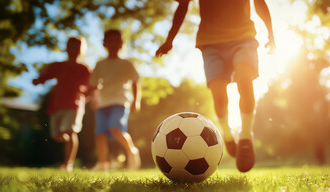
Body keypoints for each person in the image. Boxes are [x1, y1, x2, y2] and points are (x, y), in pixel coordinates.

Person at [155, 0, 276, 172]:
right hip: (211, 42)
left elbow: (259, 2)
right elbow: (183, 5)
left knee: (245, 82)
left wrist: (271, 34)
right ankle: (227, 134)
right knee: (219, 97)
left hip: (243, 37)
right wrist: (169, 40)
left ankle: (246, 137)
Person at [33, 37, 93, 172]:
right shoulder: (58, 66)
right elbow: (45, 76)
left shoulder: (84, 69)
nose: (74, 50)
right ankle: (65, 140)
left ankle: (68, 164)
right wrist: (39, 80)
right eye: (71, 47)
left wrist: (86, 96)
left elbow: (92, 86)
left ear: (82, 50)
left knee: (70, 131)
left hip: (75, 105)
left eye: (77, 48)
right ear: (66, 48)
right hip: (57, 105)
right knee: (56, 135)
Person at [90, 29, 142, 171]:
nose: (113, 43)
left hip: (120, 102)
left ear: (121, 44)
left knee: (115, 129)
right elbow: (94, 85)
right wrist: (94, 99)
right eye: (110, 40)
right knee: (99, 134)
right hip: (102, 103)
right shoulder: (100, 64)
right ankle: (103, 164)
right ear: (104, 43)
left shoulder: (126, 63)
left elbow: (136, 82)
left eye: (116, 40)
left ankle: (132, 152)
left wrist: (136, 101)